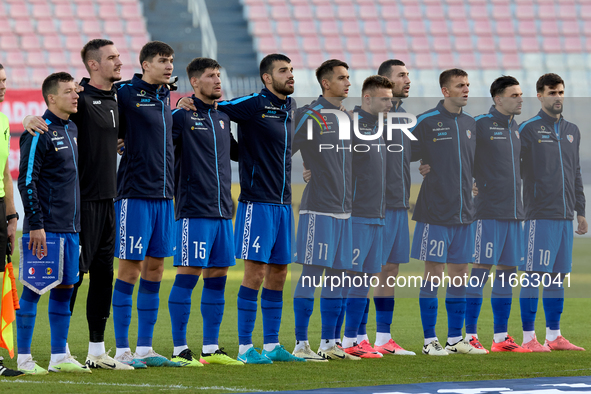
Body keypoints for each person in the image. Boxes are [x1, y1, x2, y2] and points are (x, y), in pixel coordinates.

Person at [22, 39, 132, 370]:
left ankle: (84, 352)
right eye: (111, 57)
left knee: (89, 278)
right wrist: (30, 117)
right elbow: (28, 175)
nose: (118, 61)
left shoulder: (110, 102)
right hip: (67, 214)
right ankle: (34, 355)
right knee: (44, 285)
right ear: (93, 65)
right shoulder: (74, 105)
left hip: (98, 207)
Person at [217, 54, 303, 364]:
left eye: (291, 70)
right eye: (283, 70)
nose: (290, 75)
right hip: (257, 202)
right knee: (255, 274)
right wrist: (236, 150)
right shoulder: (254, 103)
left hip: (283, 204)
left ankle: (271, 345)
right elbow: (215, 111)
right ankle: (244, 349)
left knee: (279, 274)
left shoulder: (288, 107)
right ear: (267, 78)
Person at [167, 57, 243, 366]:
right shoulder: (181, 117)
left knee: (218, 278)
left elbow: (239, 153)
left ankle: (211, 348)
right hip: (193, 211)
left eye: (219, 75)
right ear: (195, 82)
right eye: (211, 76)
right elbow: (159, 146)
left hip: (223, 211)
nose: (217, 80)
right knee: (188, 276)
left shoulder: (223, 117)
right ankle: (179, 349)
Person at [111, 41, 180, 367]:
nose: (169, 66)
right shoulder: (124, 92)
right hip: (134, 195)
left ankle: (144, 349)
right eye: (162, 61)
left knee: (156, 269)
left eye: (171, 61)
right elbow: (89, 102)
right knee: (130, 269)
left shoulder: (165, 95)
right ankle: (121, 349)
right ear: (145, 64)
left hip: (165, 197)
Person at [16, 72, 91, 374]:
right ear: (51, 98)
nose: (76, 96)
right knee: (33, 289)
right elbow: (27, 180)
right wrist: (36, 223)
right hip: (46, 229)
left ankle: (59, 356)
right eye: (69, 91)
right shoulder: (38, 132)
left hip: (71, 228)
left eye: (76, 90)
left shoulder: (71, 127)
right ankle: (23, 358)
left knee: (66, 289)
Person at [410, 68, 486, 356]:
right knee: (434, 273)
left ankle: (455, 339)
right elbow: (399, 152)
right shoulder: (426, 121)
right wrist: (422, 164)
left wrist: (476, 183)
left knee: (460, 273)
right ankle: (430, 341)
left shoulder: (470, 123)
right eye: (459, 85)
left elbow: (474, 161)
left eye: (467, 84)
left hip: (465, 212)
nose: (466, 89)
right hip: (435, 211)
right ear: (445, 91)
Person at [291, 59, 356, 361]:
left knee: (339, 277)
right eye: (342, 78)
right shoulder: (309, 115)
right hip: (319, 208)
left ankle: (329, 343)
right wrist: (309, 166)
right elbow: (282, 150)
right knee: (311, 275)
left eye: (348, 77)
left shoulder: (348, 118)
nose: (348, 82)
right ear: (326, 83)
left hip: (346, 211)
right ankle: (301, 344)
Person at [518, 73, 587, 352]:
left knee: (557, 277)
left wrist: (580, 210)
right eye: (552, 92)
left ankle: (554, 335)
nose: (557, 97)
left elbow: (576, 173)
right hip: (539, 214)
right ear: (540, 95)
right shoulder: (528, 129)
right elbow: (513, 166)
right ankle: (527, 338)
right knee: (534, 275)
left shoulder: (572, 130)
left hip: (564, 216)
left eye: (560, 92)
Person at [464, 76, 530, 353]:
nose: (520, 99)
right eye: (514, 95)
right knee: (480, 270)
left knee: (507, 272)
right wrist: (468, 183)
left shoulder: (516, 128)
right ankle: (468, 336)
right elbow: (459, 155)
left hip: (514, 212)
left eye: (521, 94)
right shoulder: (479, 124)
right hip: (488, 210)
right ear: (498, 98)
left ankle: (501, 337)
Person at [340, 75, 391, 359]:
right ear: (367, 98)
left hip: (377, 215)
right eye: (384, 98)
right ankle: (346, 341)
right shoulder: (350, 125)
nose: (389, 103)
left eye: (390, 98)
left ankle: (358, 338)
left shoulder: (376, 127)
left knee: (366, 279)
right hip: (356, 214)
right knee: (352, 279)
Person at [372, 59, 415, 356]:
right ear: (385, 82)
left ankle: (383, 338)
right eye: (401, 76)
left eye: (408, 75)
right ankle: (352, 338)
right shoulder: (367, 119)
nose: (407, 80)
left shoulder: (404, 119)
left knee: (390, 271)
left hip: (399, 206)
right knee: (365, 271)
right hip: (374, 208)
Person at [0, 63, 23, 377]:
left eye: (5, 80)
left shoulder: (3, 119)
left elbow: (5, 172)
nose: (3, 85)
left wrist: (11, 216)